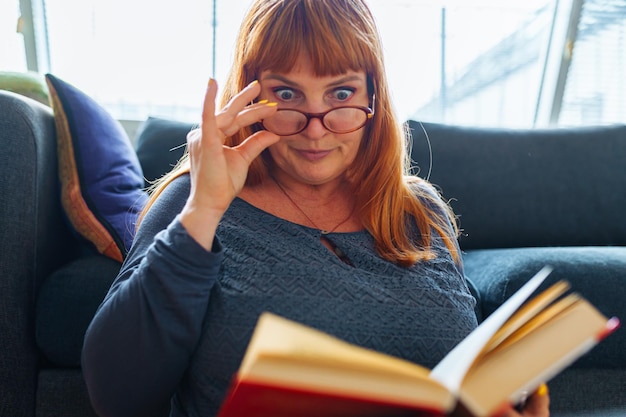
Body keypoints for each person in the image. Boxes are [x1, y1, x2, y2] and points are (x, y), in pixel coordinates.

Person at [82, 1, 550, 416]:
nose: (315, 130)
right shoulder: (195, 200)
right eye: (287, 95)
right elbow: (119, 398)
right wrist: (204, 210)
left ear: (374, 97)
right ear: (250, 98)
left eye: (341, 95)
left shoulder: (420, 212)